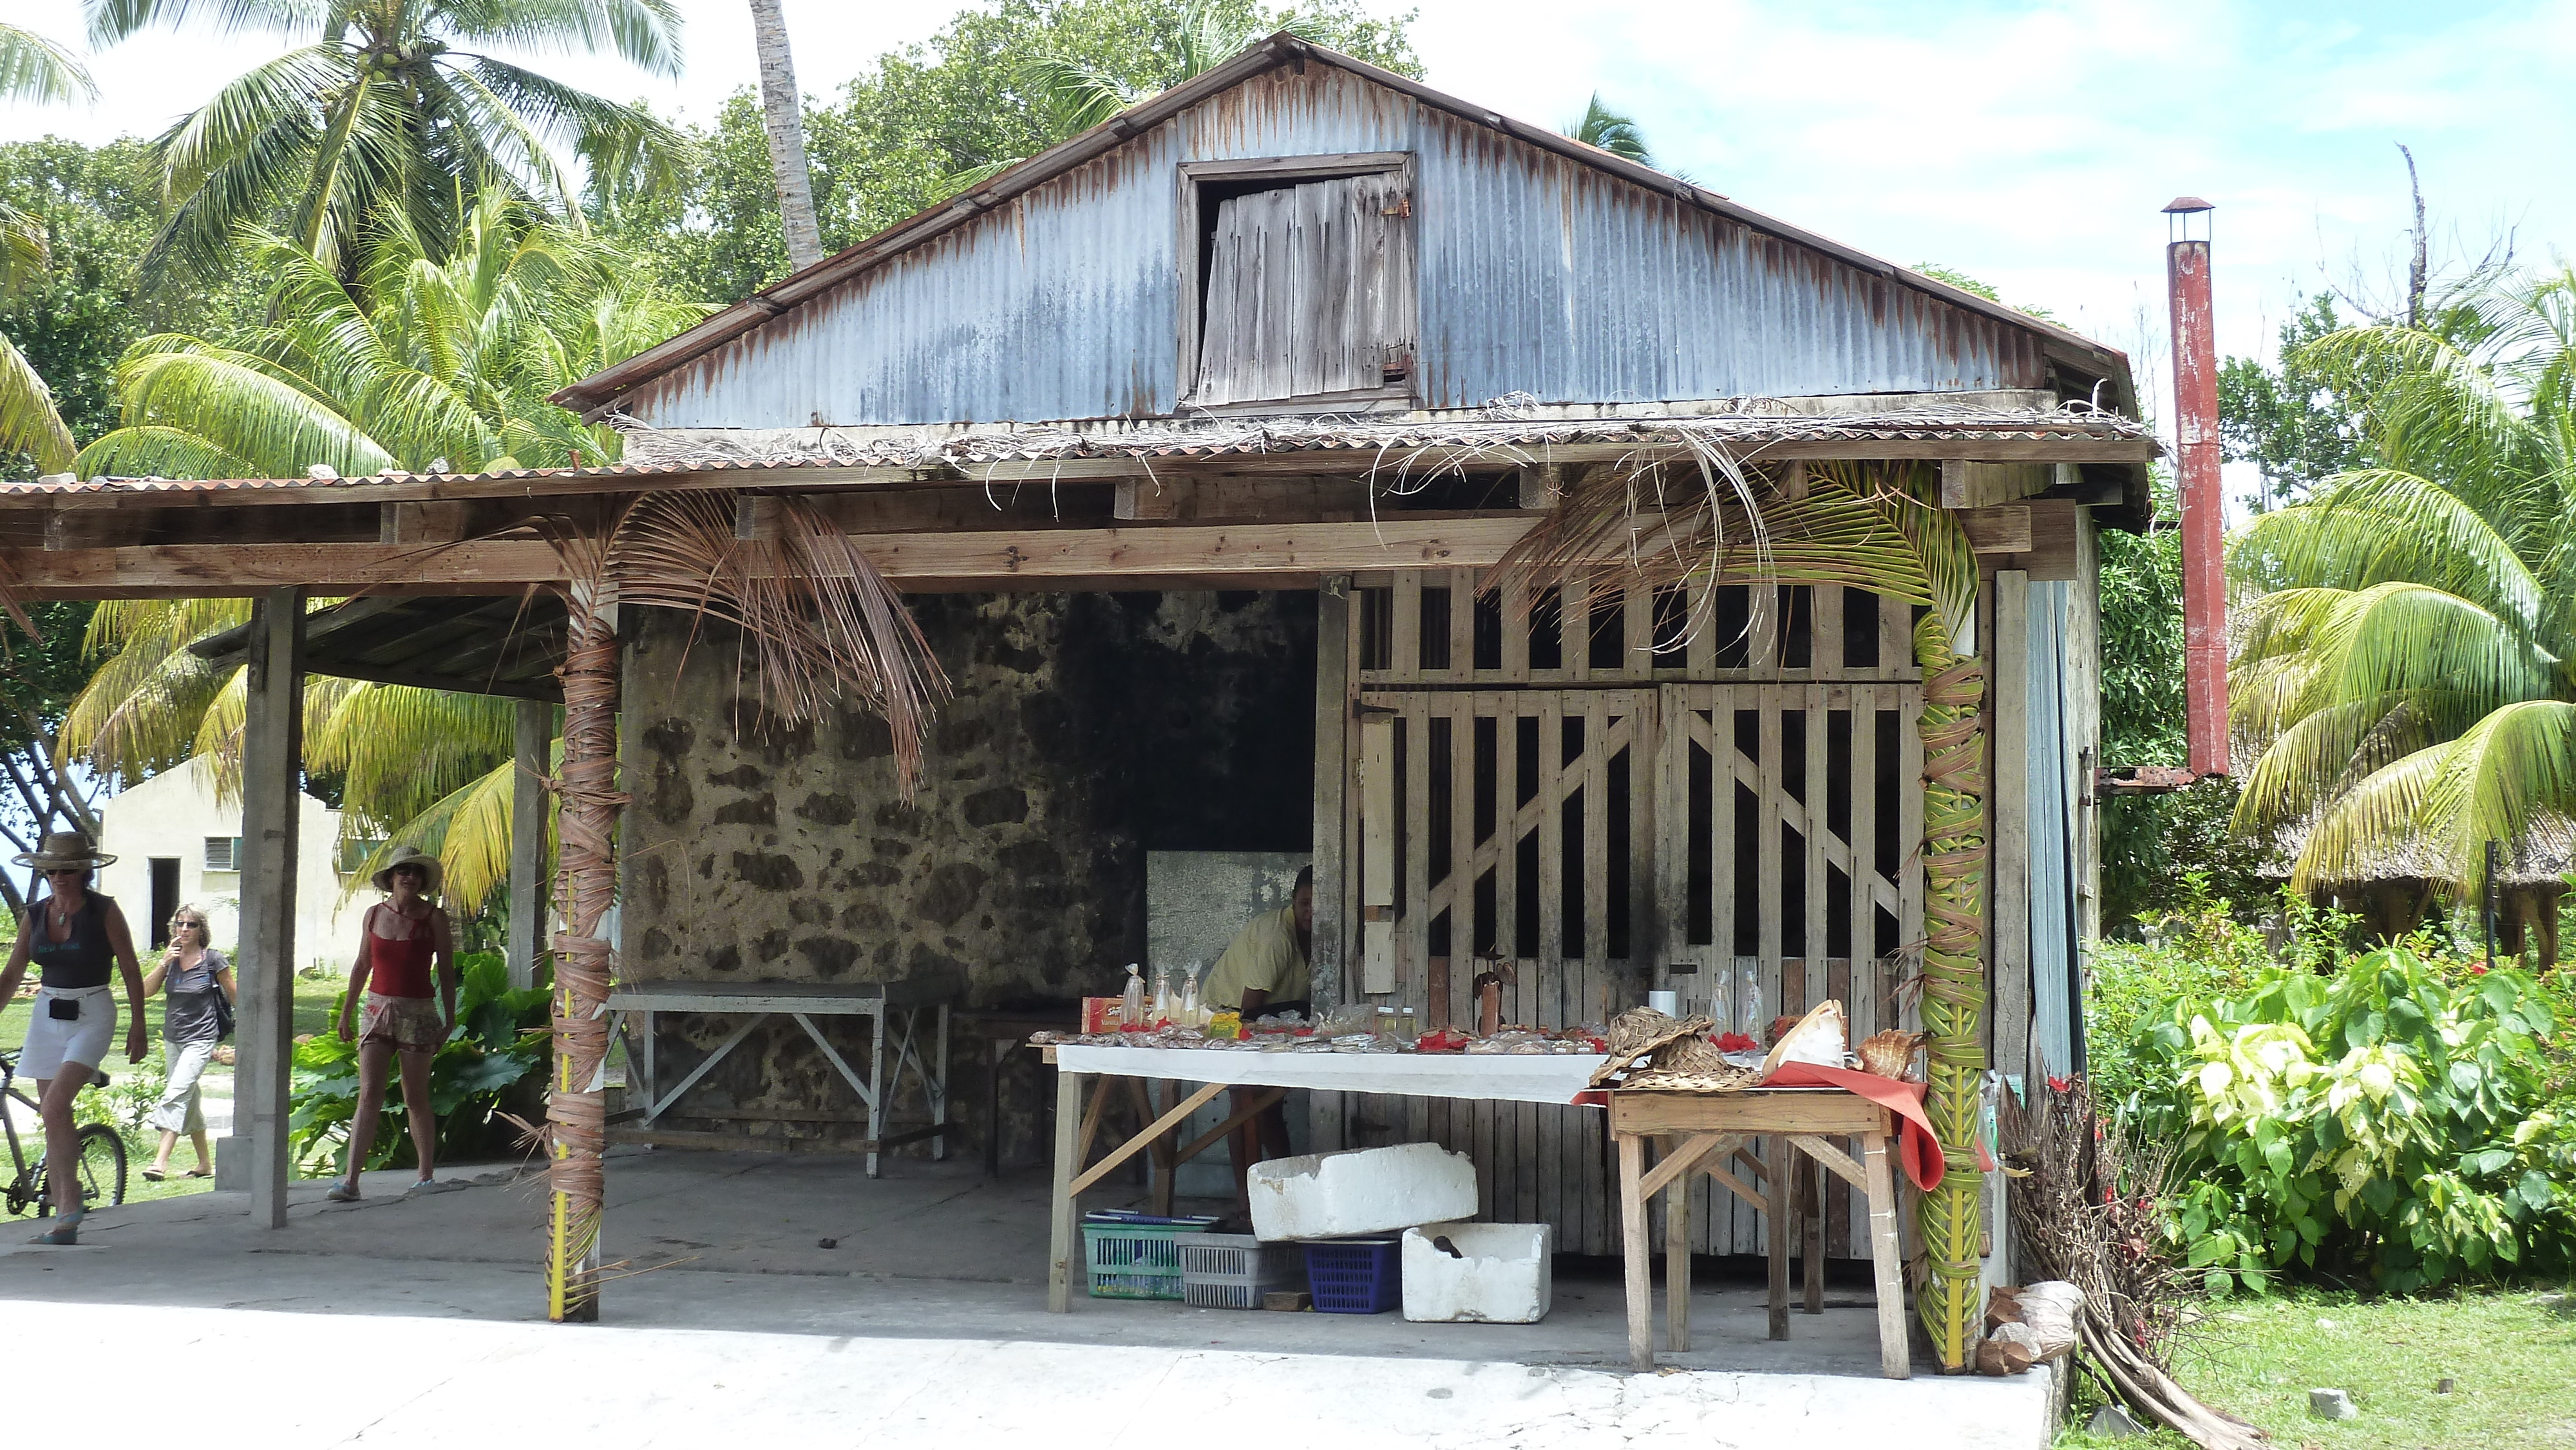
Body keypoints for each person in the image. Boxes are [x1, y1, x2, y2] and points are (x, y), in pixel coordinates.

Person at [0, 831, 146, 1244]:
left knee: (54, 1105)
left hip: (93, 1012)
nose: (61, 876)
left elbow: (132, 969)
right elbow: (11, 975)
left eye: (70, 868)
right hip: (46, 1013)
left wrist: (139, 1025)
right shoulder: (35, 914)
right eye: (54, 869)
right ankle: (66, 1213)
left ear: (85, 870)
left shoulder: (104, 911)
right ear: (44, 871)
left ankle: (71, 1202)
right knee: (53, 1116)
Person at [328, 845, 458, 1201]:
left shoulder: (434, 918)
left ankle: (425, 1176)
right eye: (403, 871)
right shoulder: (373, 915)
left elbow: (446, 970)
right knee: (369, 1093)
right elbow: (361, 966)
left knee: (415, 1097)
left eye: (416, 872)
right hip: (376, 1011)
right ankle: (350, 1181)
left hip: (418, 1012)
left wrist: (450, 1016)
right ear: (391, 877)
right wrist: (346, 1012)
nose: (409, 877)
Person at [1200, 866, 1312, 1205]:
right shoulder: (1277, 938)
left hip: (1277, 1018)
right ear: (1293, 902)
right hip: (1233, 1014)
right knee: (1246, 1103)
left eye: (1318, 905)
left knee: (1270, 1107)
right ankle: (1246, 1201)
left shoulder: (1324, 938)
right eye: (1304, 903)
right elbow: (1249, 1008)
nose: (1311, 912)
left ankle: (1287, 1193)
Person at [140, 905, 234, 1182]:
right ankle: (205, 1164)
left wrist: (253, 1032)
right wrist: (164, 962)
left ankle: (160, 1161)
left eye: (191, 925)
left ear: (201, 929)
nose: (184, 929)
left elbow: (236, 995)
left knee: (176, 1093)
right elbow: (145, 992)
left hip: (201, 1038)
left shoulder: (213, 960)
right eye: (180, 924)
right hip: (174, 1038)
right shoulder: (171, 959)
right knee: (189, 1099)